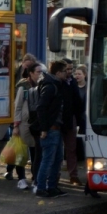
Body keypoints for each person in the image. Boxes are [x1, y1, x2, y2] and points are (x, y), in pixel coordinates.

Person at [35, 60, 68, 198]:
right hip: (50, 129)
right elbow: (41, 108)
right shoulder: (50, 86)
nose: (68, 73)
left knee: (57, 159)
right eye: (65, 71)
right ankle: (41, 188)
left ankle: (52, 186)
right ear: (58, 72)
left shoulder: (57, 85)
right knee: (48, 159)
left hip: (57, 128)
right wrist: (44, 128)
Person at [12, 62, 43, 190]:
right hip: (24, 124)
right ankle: (21, 179)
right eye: (38, 72)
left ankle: (36, 178)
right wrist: (16, 125)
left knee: (36, 152)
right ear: (31, 73)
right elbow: (18, 106)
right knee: (22, 153)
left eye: (41, 72)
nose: (40, 74)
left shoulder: (41, 85)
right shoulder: (23, 86)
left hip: (36, 124)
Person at [61, 58, 84, 186]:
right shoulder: (57, 82)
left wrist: (78, 118)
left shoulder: (73, 83)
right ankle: (56, 175)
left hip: (71, 119)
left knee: (71, 148)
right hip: (59, 120)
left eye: (71, 69)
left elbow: (77, 101)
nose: (69, 72)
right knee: (57, 150)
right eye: (67, 69)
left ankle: (73, 175)